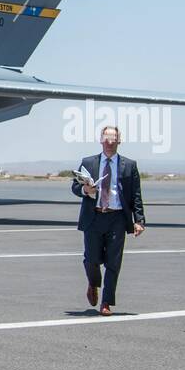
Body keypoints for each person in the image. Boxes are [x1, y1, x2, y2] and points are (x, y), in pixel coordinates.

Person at [71, 125, 146, 316]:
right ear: (101, 140)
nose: (110, 143)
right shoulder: (88, 162)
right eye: (107, 139)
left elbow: (136, 194)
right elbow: (74, 187)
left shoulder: (129, 165)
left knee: (114, 262)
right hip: (94, 216)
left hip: (117, 217)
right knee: (91, 259)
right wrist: (85, 191)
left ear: (119, 141)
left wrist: (139, 220)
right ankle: (93, 283)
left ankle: (106, 302)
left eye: (114, 140)